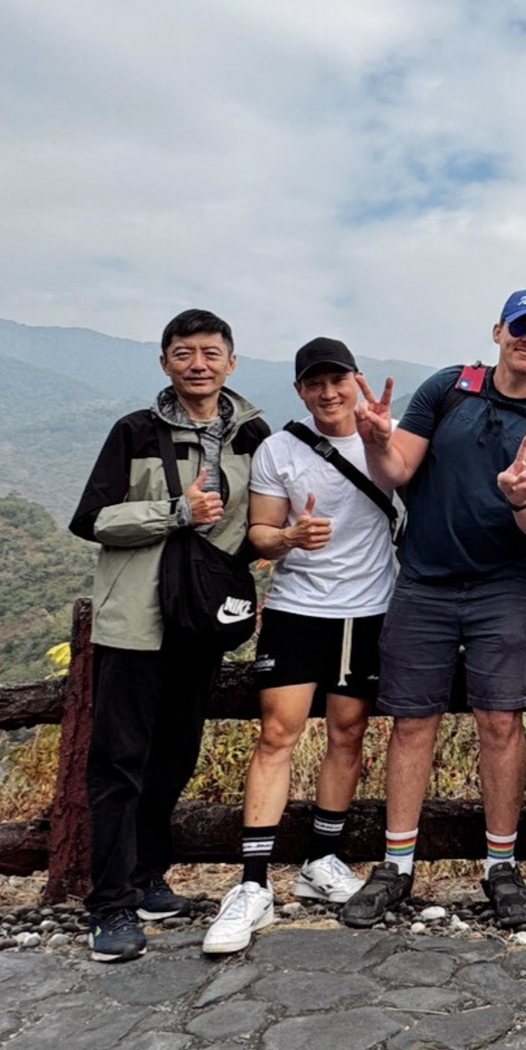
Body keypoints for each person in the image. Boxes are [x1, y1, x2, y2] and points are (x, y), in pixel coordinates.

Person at [342, 289, 526, 930]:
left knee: (500, 723)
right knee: (412, 723)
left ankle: (500, 865)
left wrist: (518, 497)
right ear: (499, 331)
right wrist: (372, 439)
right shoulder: (450, 389)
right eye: (519, 326)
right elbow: (397, 469)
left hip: (503, 587)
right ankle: (396, 865)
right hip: (422, 582)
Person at [69, 308, 270, 963]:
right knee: (119, 762)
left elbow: (264, 516)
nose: (198, 364)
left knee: (176, 753)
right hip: (135, 623)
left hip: (201, 620)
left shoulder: (253, 435)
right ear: (165, 363)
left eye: (211, 353)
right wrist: (175, 512)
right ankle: (110, 905)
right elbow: (93, 518)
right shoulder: (133, 431)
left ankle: (149, 872)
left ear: (231, 362)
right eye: (183, 353)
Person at [201, 337, 398, 954]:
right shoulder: (278, 450)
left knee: (347, 734)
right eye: (315, 383)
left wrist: (383, 436)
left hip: (368, 611)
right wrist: (290, 536)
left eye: (337, 379)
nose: (328, 391)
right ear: (300, 391)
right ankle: (253, 884)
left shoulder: (385, 441)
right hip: (297, 610)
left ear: (356, 380)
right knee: (277, 735)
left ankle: (323, 859)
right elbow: (259, 534)